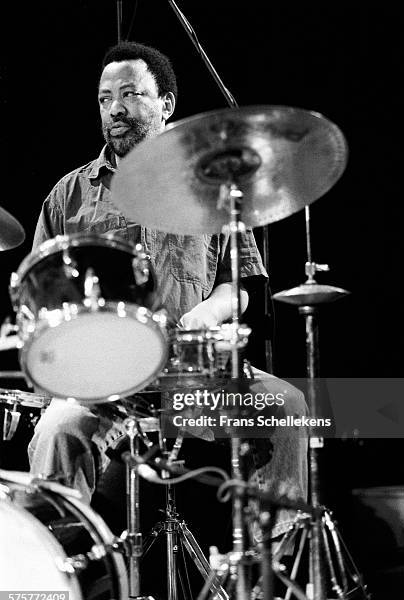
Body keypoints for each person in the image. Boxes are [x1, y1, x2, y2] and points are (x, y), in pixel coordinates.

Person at [28, 41, 307, 540]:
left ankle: (270, 567)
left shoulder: (212, 191)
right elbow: (39, 299)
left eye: (131, 94)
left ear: (167, 105)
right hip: (104, 378)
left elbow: (239, 286)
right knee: (58, 429)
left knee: (287, 407)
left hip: (193, 370)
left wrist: (206, 313)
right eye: (104, 98)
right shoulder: (68, 195)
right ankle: (58, 578)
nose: (115, 109)